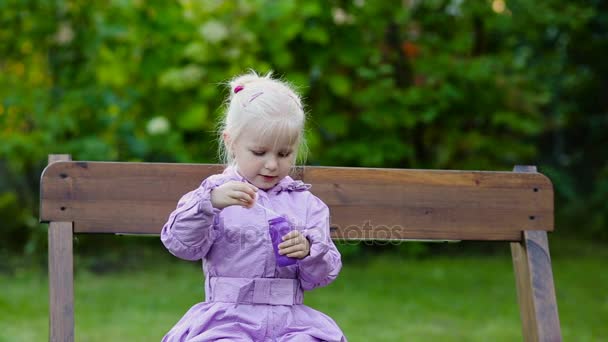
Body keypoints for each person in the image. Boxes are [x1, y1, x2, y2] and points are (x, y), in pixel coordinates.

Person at [160, 71, 347, 341]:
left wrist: (309, 251)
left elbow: (321, 275)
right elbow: (181, 244)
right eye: (259, 153)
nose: (272, 164)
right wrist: (208, 206)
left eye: (284, 154)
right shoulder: (215, 193)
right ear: (232, 143)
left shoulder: (306, 204)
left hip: (290, 321)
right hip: (227, 319)